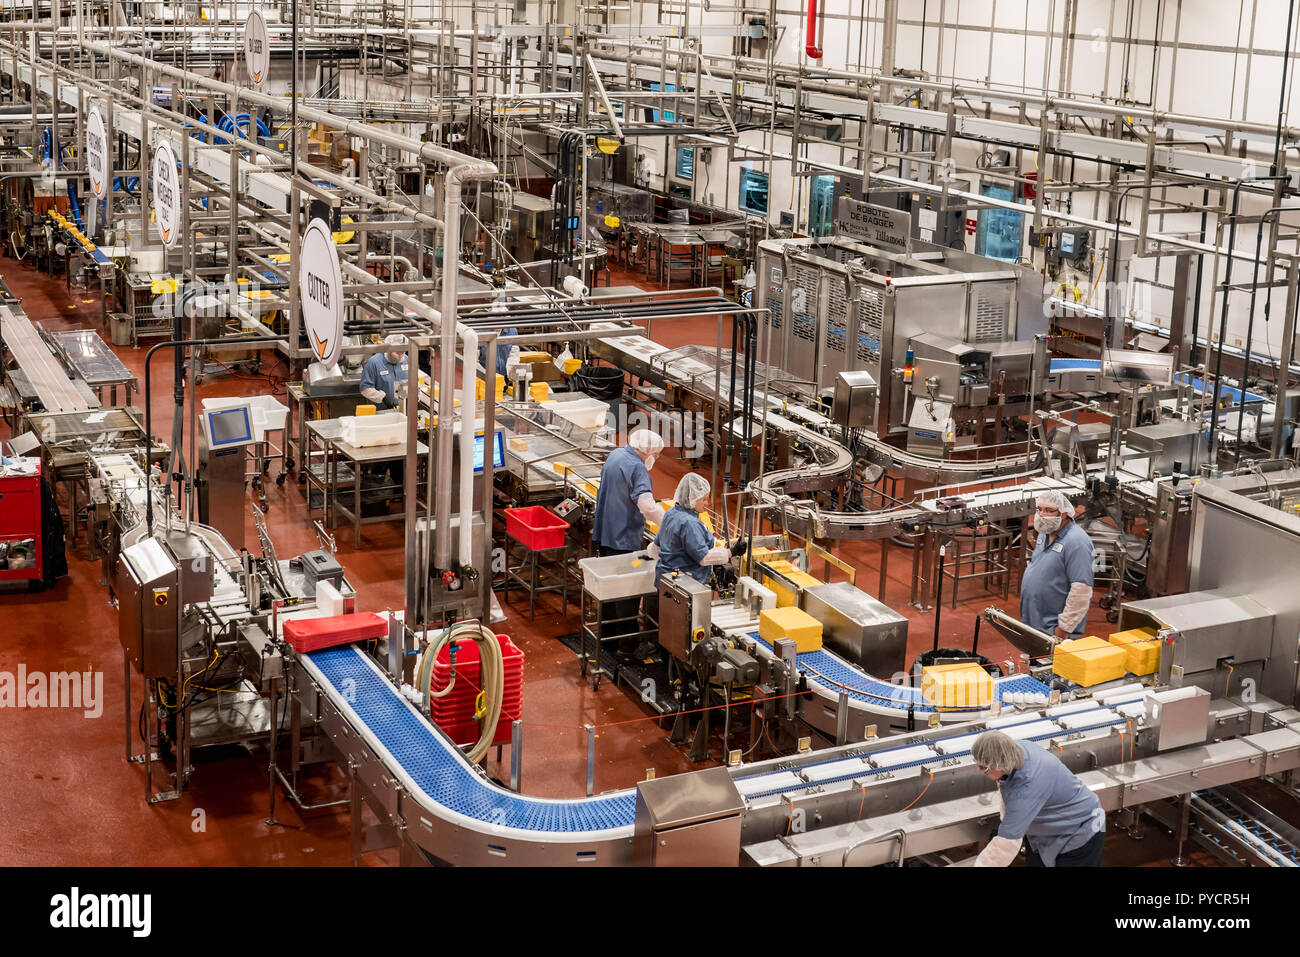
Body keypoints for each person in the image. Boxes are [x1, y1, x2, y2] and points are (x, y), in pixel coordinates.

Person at [970, 730, 1105, 867]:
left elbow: (1006, 844)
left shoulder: (1027, 785)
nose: (980, 771)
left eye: (984, 768)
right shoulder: (1015, 750)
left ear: (1001, 763)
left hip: (1080, 830)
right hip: (1045, 832)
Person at [591, 430, 666, 643]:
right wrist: (667, 522)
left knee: (608, 589)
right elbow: (647, 505)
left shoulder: (615, 455)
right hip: (623, 539)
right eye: (656, 453)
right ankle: (627, 645)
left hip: (606, 533)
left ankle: (607, 640)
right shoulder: (638, 468)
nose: (655, 458)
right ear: (647, 451)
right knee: (627, 594)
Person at [1019, 489, 1095, 640]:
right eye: (1039, 509)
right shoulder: (1045, 531)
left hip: (1054, 629)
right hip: (1035, 620)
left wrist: (1064, 628)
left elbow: (1081, 590)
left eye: (1049, 511)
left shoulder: (1077, 542)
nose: (1041, 515)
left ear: (1064, 513)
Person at [650, 472, 746, 587]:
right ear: (692, 498)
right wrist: (732, 552)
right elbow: (704, 558)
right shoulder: (690, 523)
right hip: (683, 584)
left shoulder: (671, 513)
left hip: (665, 577)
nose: (707, 503)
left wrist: (671, 563)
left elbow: (655, 548)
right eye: (704, 499)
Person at [359, 334, 410, 410]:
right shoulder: (374, 363)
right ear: (388, 349)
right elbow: (365, 388)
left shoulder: (407, 360)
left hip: (403, 409)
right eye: (397, 353)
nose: (400, 356)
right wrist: (383, 398)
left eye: (402, 353)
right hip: (380, 411)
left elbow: (414, 381)